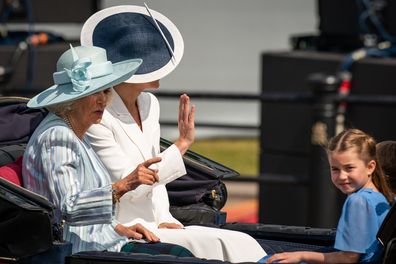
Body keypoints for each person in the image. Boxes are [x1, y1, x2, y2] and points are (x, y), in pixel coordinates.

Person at [81, 4, 267, 263]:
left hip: (159, 222)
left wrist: (166, 218)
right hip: (125, 228)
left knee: (241, 242)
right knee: (220, 243)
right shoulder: (99, 115)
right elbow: (131, 184)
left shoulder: (149, 104)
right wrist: (181, 145)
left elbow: (153, 180)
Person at [21, 45, 193, 257]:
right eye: (94, 93)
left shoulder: (76, 133)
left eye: (106, 91)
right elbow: (69, 207)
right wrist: (124, 185)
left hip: (104, 242)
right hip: (80, 252)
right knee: (182, 257)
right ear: (70, 99)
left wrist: (118, 228)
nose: (103, 100)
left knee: (182, 254)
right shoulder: (58, 136)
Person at [266, 129, 393, 263]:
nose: (342, 176)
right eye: (335, 169)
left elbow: (349, 258)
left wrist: (301, 256)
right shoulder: (381, 197)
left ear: (370, 167)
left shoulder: (358, 201)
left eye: (349, 168)